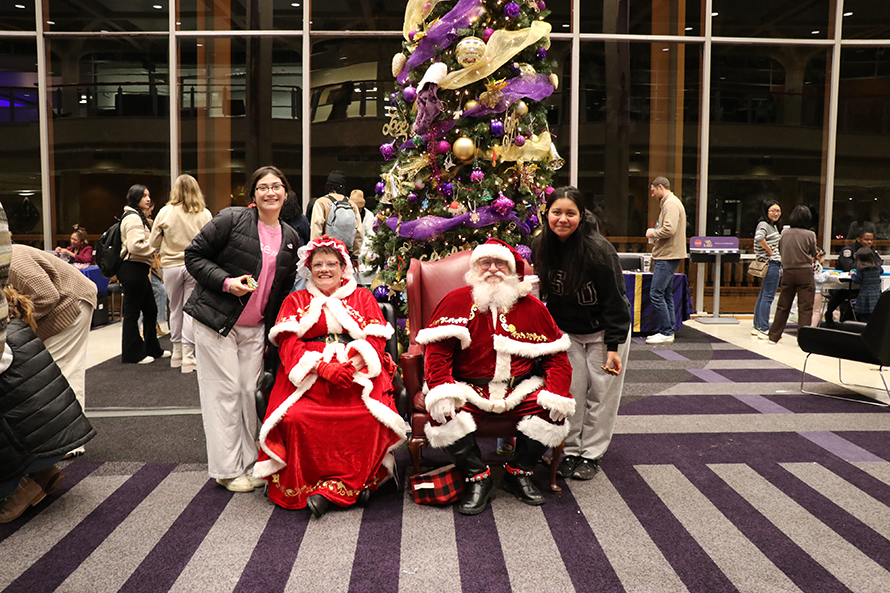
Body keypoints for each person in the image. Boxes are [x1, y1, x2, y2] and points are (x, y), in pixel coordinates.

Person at [416, 239, 574, 515]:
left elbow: (557, 358)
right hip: (468, 389)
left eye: (500, 263)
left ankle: (518, 472)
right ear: (474, 269)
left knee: (552, 411)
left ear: (511, 269)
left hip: (520, 389)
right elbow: (437, 355)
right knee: (443, 414)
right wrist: (441, 390)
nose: (492, 269)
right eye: (485, 263)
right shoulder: (454, 301)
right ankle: (478, 477)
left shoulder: (533, 307)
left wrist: (557, 394)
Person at [254, 236, 406, 517]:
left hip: (356, 372)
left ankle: (342, 487)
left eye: (331, 264)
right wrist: (321, 367)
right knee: (296, 418)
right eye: (318, 264)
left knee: (368, 416)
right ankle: (335, 488)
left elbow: (376, 340)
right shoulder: (295, 300)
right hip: (308, 374)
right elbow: (288, 344)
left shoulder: (363, 297)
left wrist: (353, 364)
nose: (324, 269)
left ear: (343, 267)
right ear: (309, 269)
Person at [184, 165, 300, 493]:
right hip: (217, 321)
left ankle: (251, 464)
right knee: (225, 393)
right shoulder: (232, 219)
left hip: (255, 329)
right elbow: (194, 256)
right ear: (253, 194)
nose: (270, 192)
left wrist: (273, 334)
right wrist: (226, 282)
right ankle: (227, 470)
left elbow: (281, 292)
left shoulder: (291, 238)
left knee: (250, 394)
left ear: (286, 193)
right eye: (263, 187)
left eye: (276, 186)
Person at [533, 187, 632, 480]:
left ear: (581, 215)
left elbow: (616, 301)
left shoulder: (599, 250)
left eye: (570, 213)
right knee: (571, 392)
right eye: (556, 212)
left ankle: (590, 455)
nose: (562, 219)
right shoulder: (541, 245)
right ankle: (570, 451)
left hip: (605, 332)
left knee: (601, 395)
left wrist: (613, 346)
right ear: (547, 214)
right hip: (568, 333)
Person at [0, 287, 95, 523]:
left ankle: (17, 489)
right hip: (59, 436)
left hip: (39, 445)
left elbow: (48, 294)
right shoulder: (16, 326)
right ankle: (42, 473)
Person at [8, 244, 97, 456]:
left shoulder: (14, 263)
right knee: (54, 372)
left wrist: (17, 321)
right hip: (63, 303)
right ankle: (63, 438)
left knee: (61, 372)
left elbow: (47, 296)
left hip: (72, 303)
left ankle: (70, 441)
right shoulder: (8, 259)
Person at [149, 174, 213, 373]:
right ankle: (188, 357)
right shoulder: (204, 214)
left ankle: (176, 354)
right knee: (190, 312)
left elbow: (153, 242)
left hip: (171, 266)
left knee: (175, 309)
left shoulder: (165, 212)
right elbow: (212, 242)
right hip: (195, 265)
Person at [118, 184, 169, 364]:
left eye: (148, 195)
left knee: (150, 309)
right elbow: (135, 246)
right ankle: (132, 353)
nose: (148, 199)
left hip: (139, 267)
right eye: (144, 196)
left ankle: (152, 348)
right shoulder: (133, 218)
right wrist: (154, 246)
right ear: (135, 198)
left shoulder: (137, 216)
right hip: (133, 267)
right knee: (132, 313)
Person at [644, 176, 687, 344]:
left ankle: (666, 331)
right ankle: (669, 330)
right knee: (666, 293)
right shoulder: (671, 202)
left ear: (661, 187)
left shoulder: (670, 204)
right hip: (670, 254)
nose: (652, 195)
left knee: (656, 293)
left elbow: (669, 229)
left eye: (653, 191)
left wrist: (652, 233)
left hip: (667, 255)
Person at [768, 205, 818, 344]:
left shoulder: (784, 233)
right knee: (805, 307)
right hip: (804, 272)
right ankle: (803, 339)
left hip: (788, 271)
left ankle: (774, 336)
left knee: (783, 306)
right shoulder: (810, 234)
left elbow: (780, 249)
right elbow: (813, 252)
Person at [824, 226, 883, 325]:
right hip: (844, 285)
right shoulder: (849, 250)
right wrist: (864, 267)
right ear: (858, 239)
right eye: (866, 239)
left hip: (864, 288)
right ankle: (830, 314)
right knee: (841, 293)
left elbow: (878, 263)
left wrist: (863, 267)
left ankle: (852, 320)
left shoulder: (871, 251)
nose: (869, 242)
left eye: (871, 240)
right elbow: (848, 266)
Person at [309, 170, 364, 258]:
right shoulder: (351, 204)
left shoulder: (321, 202)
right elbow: (359, 232)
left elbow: (316, 229)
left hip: (326, 253)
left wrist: (314, 253)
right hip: (346, 254)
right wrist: (355, 255)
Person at [751, 201, 782, 339]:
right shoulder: (764, 225)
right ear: (766, 211)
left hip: (769, 263)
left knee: (763, 295)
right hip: (772, 263)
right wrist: (768, 249)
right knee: (768, 296)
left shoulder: (772, 226)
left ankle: (757, 326)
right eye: (773, 211)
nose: (776, 213)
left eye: (778, 211)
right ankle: (764, 328)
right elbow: (759, 238)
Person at [851, 247, 882, 322]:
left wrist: (852, 275)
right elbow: (881, 271)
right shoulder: (878, 267)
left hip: (865, 295)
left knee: (864, 317)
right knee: (875, 315)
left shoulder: (861, 269)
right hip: (877, 294)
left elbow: (857, 280)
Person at [811, 248, 829, 327]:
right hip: (816, 290)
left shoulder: (807, 263)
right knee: (816, 311)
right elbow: (818, 278)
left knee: (806, 311)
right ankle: (812, 328)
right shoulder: (817, 265)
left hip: (806, 289)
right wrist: (827, 273)